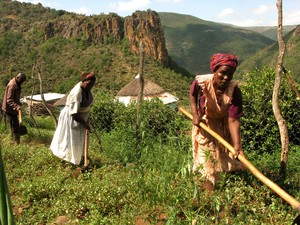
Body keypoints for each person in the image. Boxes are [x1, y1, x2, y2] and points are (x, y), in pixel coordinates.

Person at [189, 53, 245, 186]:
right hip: (205, 124)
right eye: (223, 73)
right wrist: (195, 114)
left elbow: (233, 120)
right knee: (207, 161)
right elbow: (192, 95)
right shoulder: (201, 83)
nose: (226, 78)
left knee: (227, 159)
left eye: (230, 74)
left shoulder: (234, 90)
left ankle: (226, 187)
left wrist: (237, 145)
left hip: (224, 125)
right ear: (215, 71)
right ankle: (208, 194)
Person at [50, 72, 96, 165]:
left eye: (92, 84)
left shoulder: (86, 89)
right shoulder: (76, 93)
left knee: (78, 139)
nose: (90, 86)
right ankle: (67, 159)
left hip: (81, 117)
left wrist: (86, 120)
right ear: (83, 81)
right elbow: (74, 113)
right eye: (89, 84)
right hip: (71, 117)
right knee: (69, 139)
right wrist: (84, 123)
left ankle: (80, 158)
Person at [2, 73, 26, 144]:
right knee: (14, 125)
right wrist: (17, 106)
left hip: (13, 108)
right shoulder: (13, 85)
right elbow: (9, 100)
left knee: (14, 125)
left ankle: (14, 140)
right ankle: (16, 142)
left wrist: (18, 104)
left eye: (23, 81)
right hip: (9, 109)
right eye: (21, 80)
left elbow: (15, 97)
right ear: (18, 78)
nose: (22, 82)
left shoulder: (17, 83)